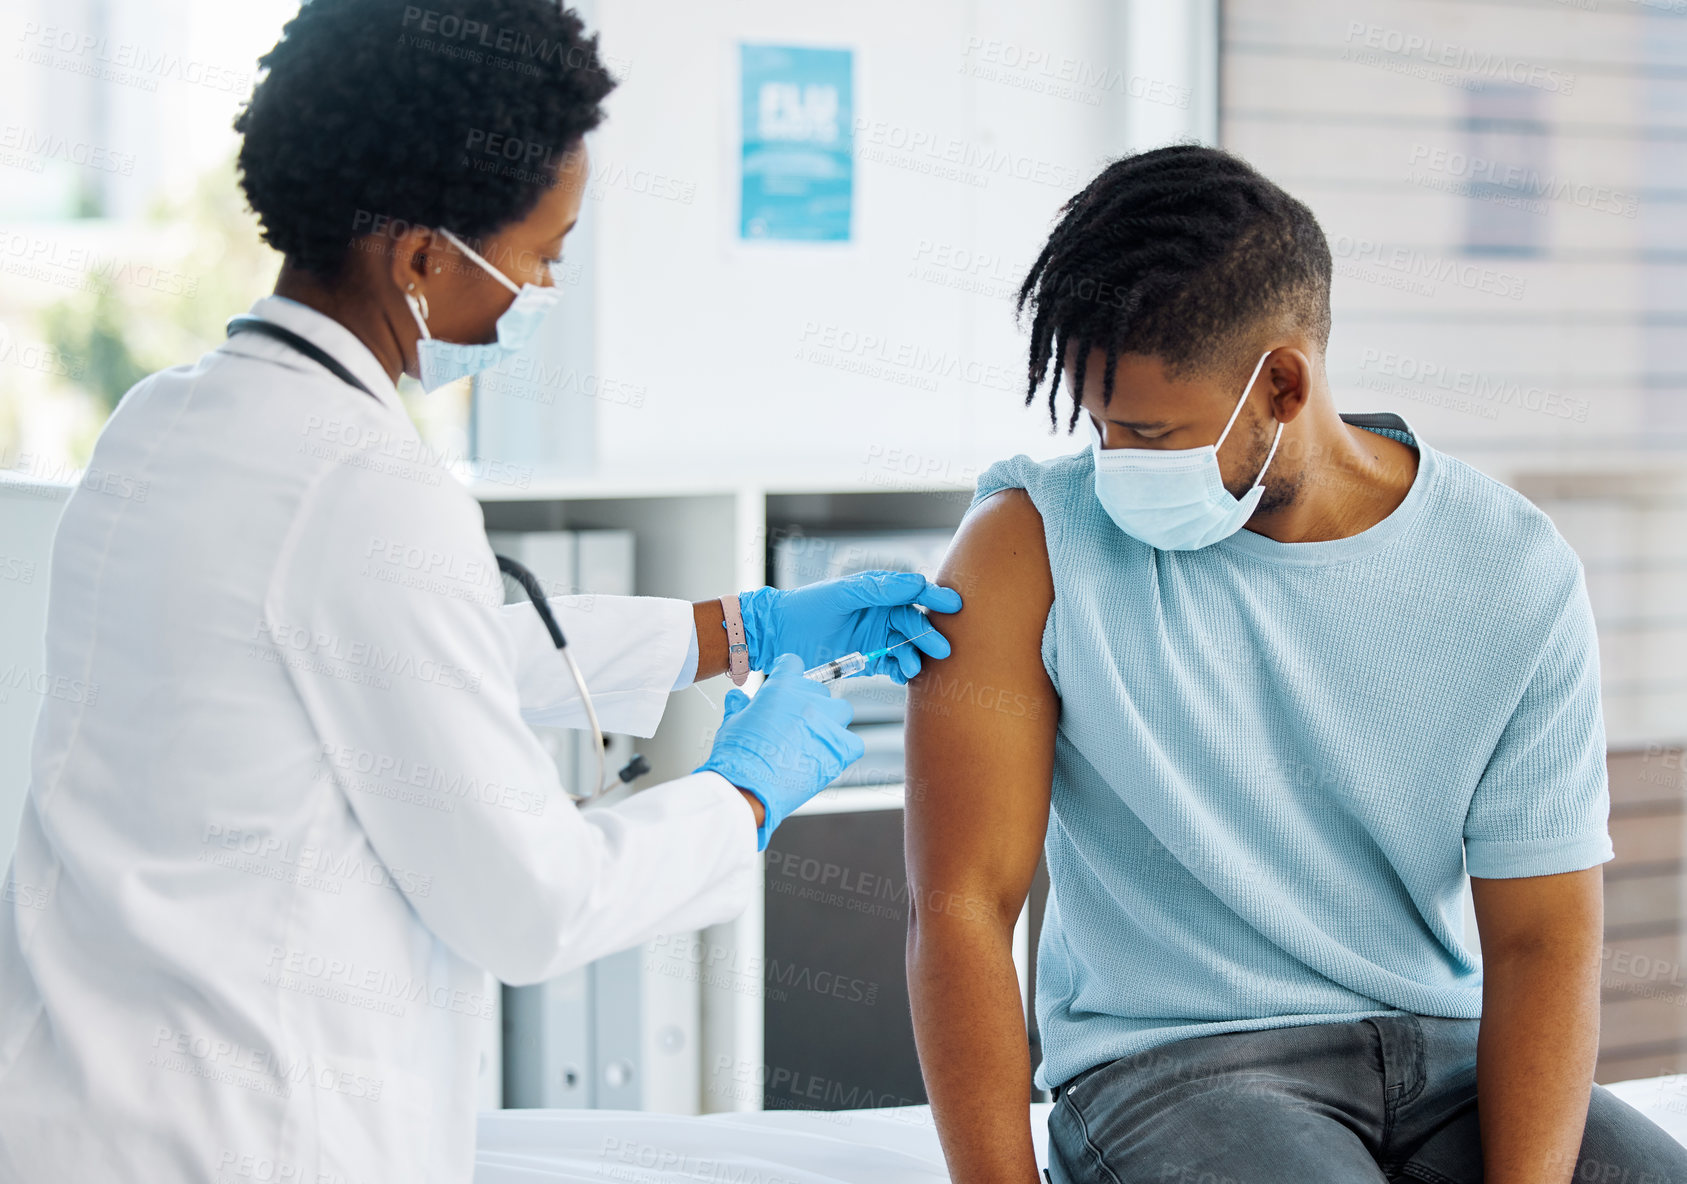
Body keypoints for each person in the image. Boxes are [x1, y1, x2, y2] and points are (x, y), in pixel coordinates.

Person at [0, 3, 960, 1181]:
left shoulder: (165, 422)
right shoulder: (363, 484)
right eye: (543, 253)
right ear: (419, 255)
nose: (544, 284)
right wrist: (744, 793)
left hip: (77, 1107)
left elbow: (384, 660)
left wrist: (735, 630)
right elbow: (531, 903)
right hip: (248, 1134)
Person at [904, 145, 1687, 1183]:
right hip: (1178, 1070)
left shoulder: (1511, 569)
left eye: (1147, 429)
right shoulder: (1030, 548)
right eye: (1098, 427)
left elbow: (1544, 934)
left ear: (1280, 383)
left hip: (1451, 1057)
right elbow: (960, 902)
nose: (1115, 463)